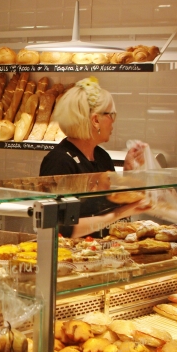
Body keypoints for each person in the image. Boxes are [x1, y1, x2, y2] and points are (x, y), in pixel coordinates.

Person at [39, 76, 150, 237]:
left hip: (103, 249)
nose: (113, 122)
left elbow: (110, 206)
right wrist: (119, 213)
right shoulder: (59, 162)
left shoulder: (101, 156)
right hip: (70, 252)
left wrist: (129, 173)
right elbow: (60, 229)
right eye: (111, 115)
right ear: (96, 120)